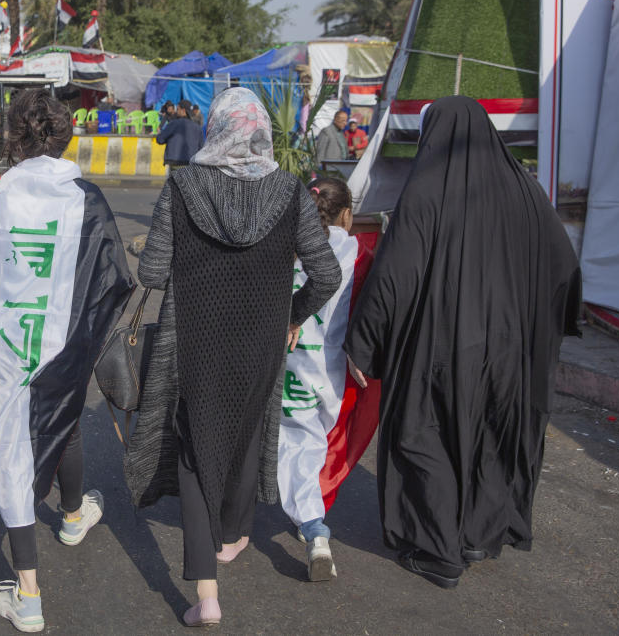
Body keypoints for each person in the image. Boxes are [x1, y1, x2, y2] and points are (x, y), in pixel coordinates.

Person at [344, 96, 583, 589]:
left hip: (442, 344)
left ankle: (437, 551)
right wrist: (551, 323)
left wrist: (363, 343)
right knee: (493, 435)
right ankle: (479, 534)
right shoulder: (525, 188)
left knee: (426, 433)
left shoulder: (428, 190)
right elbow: (563, 263)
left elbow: (394, 275)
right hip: (510, 349)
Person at [124, 87, 341, 626]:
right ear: (261, 131)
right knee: (247, 429)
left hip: (195, 342)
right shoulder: (291, 192)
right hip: (261, 340)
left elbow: (151, 274)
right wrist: (291, 314)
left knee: (196, 454)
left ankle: (207, 594)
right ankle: (230, 535)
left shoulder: (183, 186)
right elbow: (327, 275)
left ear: (216, 128)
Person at [0, 88, 132, 633]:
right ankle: (71, 517)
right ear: (66, 134)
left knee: (9, 448)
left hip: (8, 342)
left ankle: (29, 591)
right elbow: (113, 277)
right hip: (62, 343)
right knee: (63, 424)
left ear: (14, 134)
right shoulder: (85, 196)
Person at [277, 176, 380, 582]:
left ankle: (311, 525)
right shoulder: (360, 253)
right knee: (312, 445)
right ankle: (314, 527)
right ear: (348, 215)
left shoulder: (289, 248)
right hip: (330, 371)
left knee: (290, 443)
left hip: (287, 361)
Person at [155, 99, 203, 170]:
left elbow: (160, 140)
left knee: (175, 181)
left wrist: (160, 134)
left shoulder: (173, 124)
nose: (176, 112)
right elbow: (201, 147)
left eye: (178, 109)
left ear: (183, 111)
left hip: (175, 163)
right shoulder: (197, 128)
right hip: (191, 164)